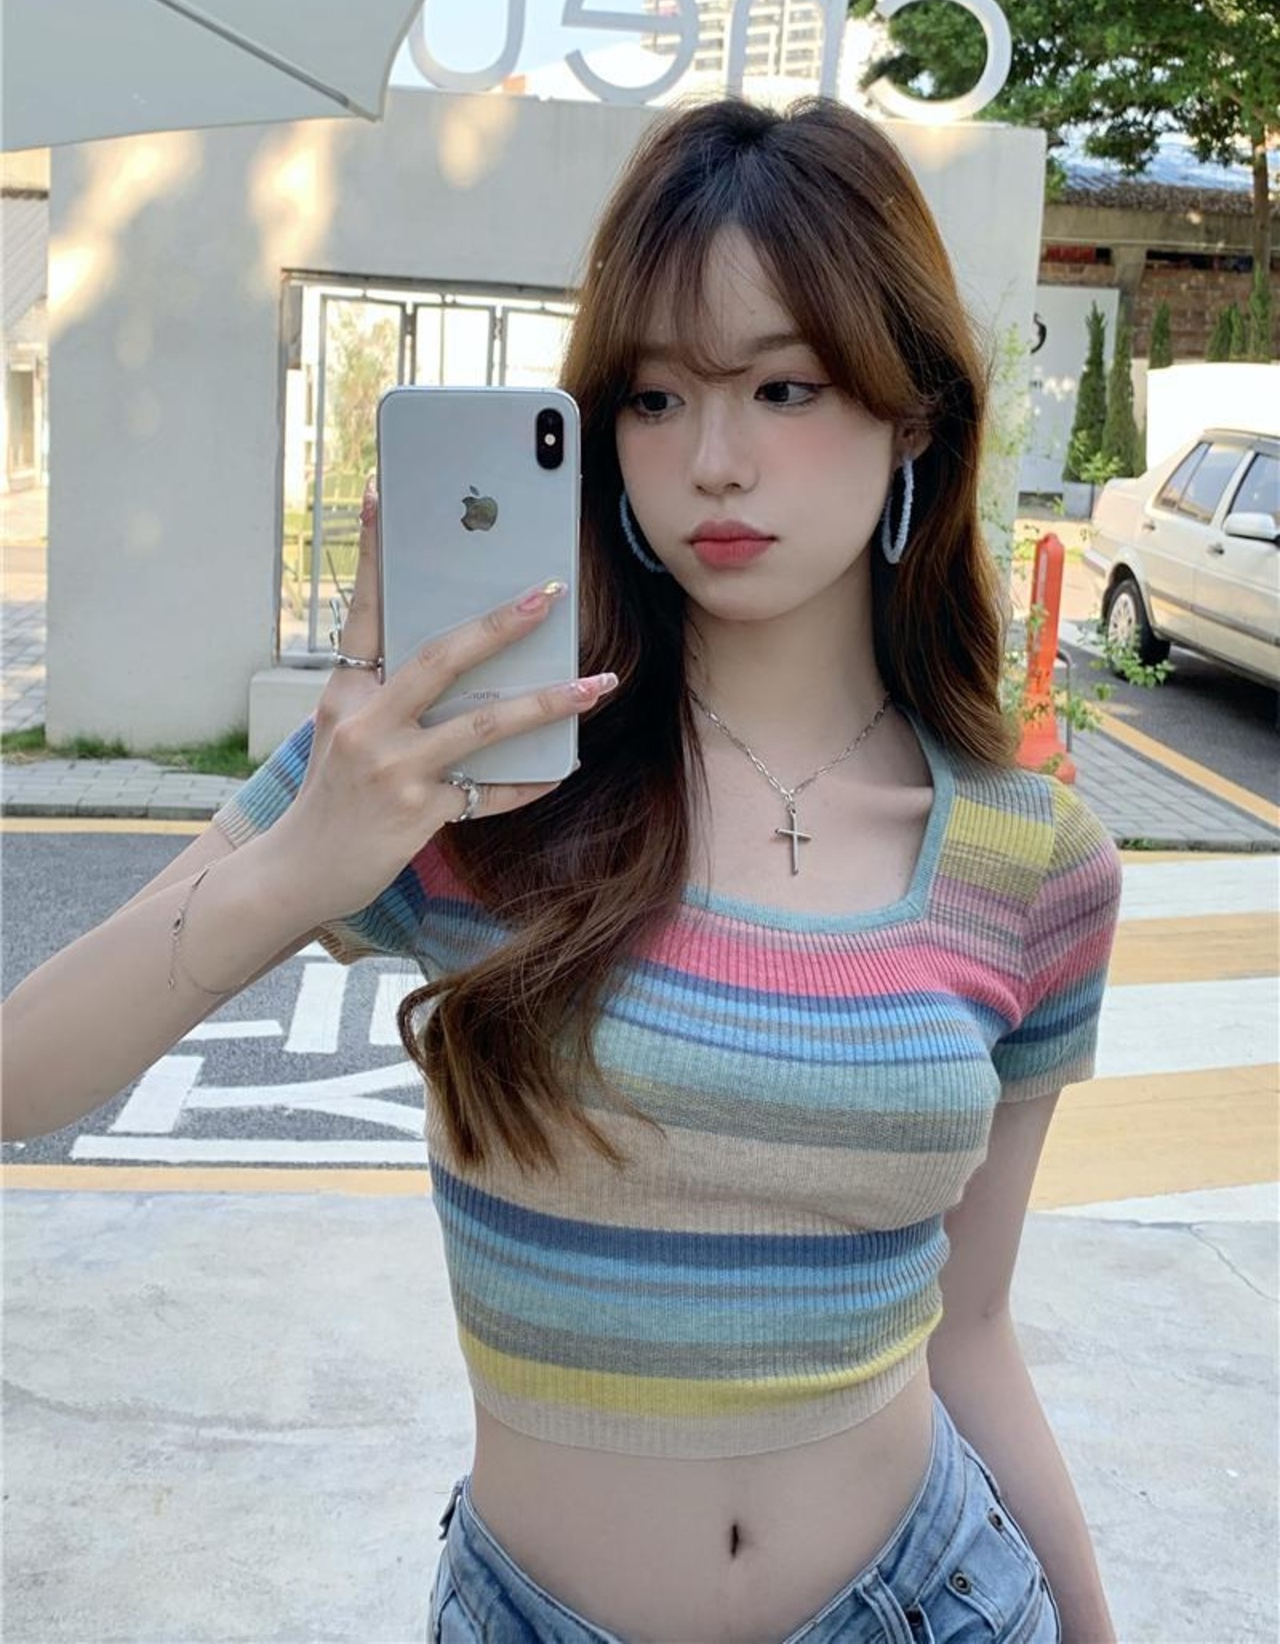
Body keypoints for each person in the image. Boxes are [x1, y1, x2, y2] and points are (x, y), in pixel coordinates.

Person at [0, 91, 1126, 1644]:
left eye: (784, 386)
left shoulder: (1033, 861)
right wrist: (303, 858)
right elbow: (20, 1075)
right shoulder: (462, 778)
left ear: (914, 413)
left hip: (932, 1604)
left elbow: (975, 1326)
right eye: (656, 397)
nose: (714, 460)